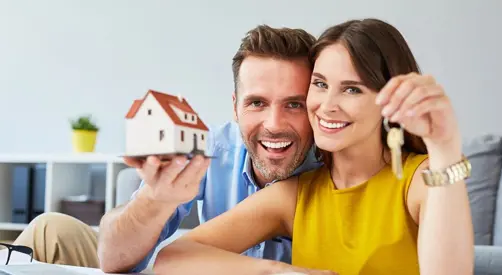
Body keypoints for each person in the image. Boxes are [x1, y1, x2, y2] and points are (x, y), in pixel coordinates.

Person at [151, 18, 475, 275]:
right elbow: (173, 259)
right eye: (320, 84)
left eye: (352, 90)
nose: (326, 105)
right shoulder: (295, 195)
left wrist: (444, 145)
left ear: (388, 100)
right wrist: (278, 272)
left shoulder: (420, 180)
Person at [12, 24, 322, 273]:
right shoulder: (209, 146)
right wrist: (155, 199)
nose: (274, 124)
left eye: (294, 104)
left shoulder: (336, 163)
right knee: (49, 228)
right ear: (235, 108)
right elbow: (115, 260)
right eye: (257, 103)